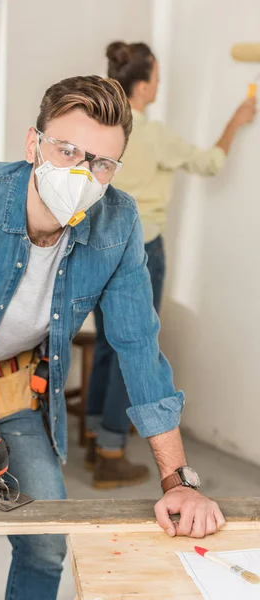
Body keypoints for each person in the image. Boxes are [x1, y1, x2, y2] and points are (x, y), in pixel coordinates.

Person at [0, 75, 226, 600]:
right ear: (34, 144)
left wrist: (179, 483)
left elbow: (139, 346)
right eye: (68, 151)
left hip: (12, 386)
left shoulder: (117, 224)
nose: (83, 174)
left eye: (101, 163)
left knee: (47, 542)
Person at [86, 42, 257, 489]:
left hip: (97, 247)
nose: (161, 83)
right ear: (142, 86)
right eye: (158, 77)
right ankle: (109, 453)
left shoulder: (100, 127)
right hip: (140, 250)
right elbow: (209, 162)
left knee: (108, 343)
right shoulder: (152, 133)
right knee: (135, 348)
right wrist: (235, 123)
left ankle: (92, 434)